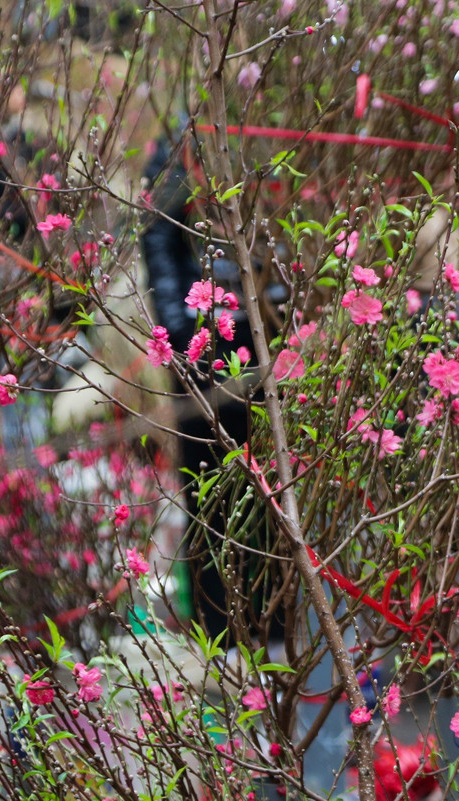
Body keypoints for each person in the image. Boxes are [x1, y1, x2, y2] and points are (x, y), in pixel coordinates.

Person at [140, 134, 285, 649]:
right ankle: (221, 630)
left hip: (264, 348)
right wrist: (186, 337)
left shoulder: (264, 137)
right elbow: (159, 246)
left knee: (272, 491)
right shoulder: (175, 154)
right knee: (211, 494)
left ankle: (277, 623)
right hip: (203, 360)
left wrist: (278, 311)